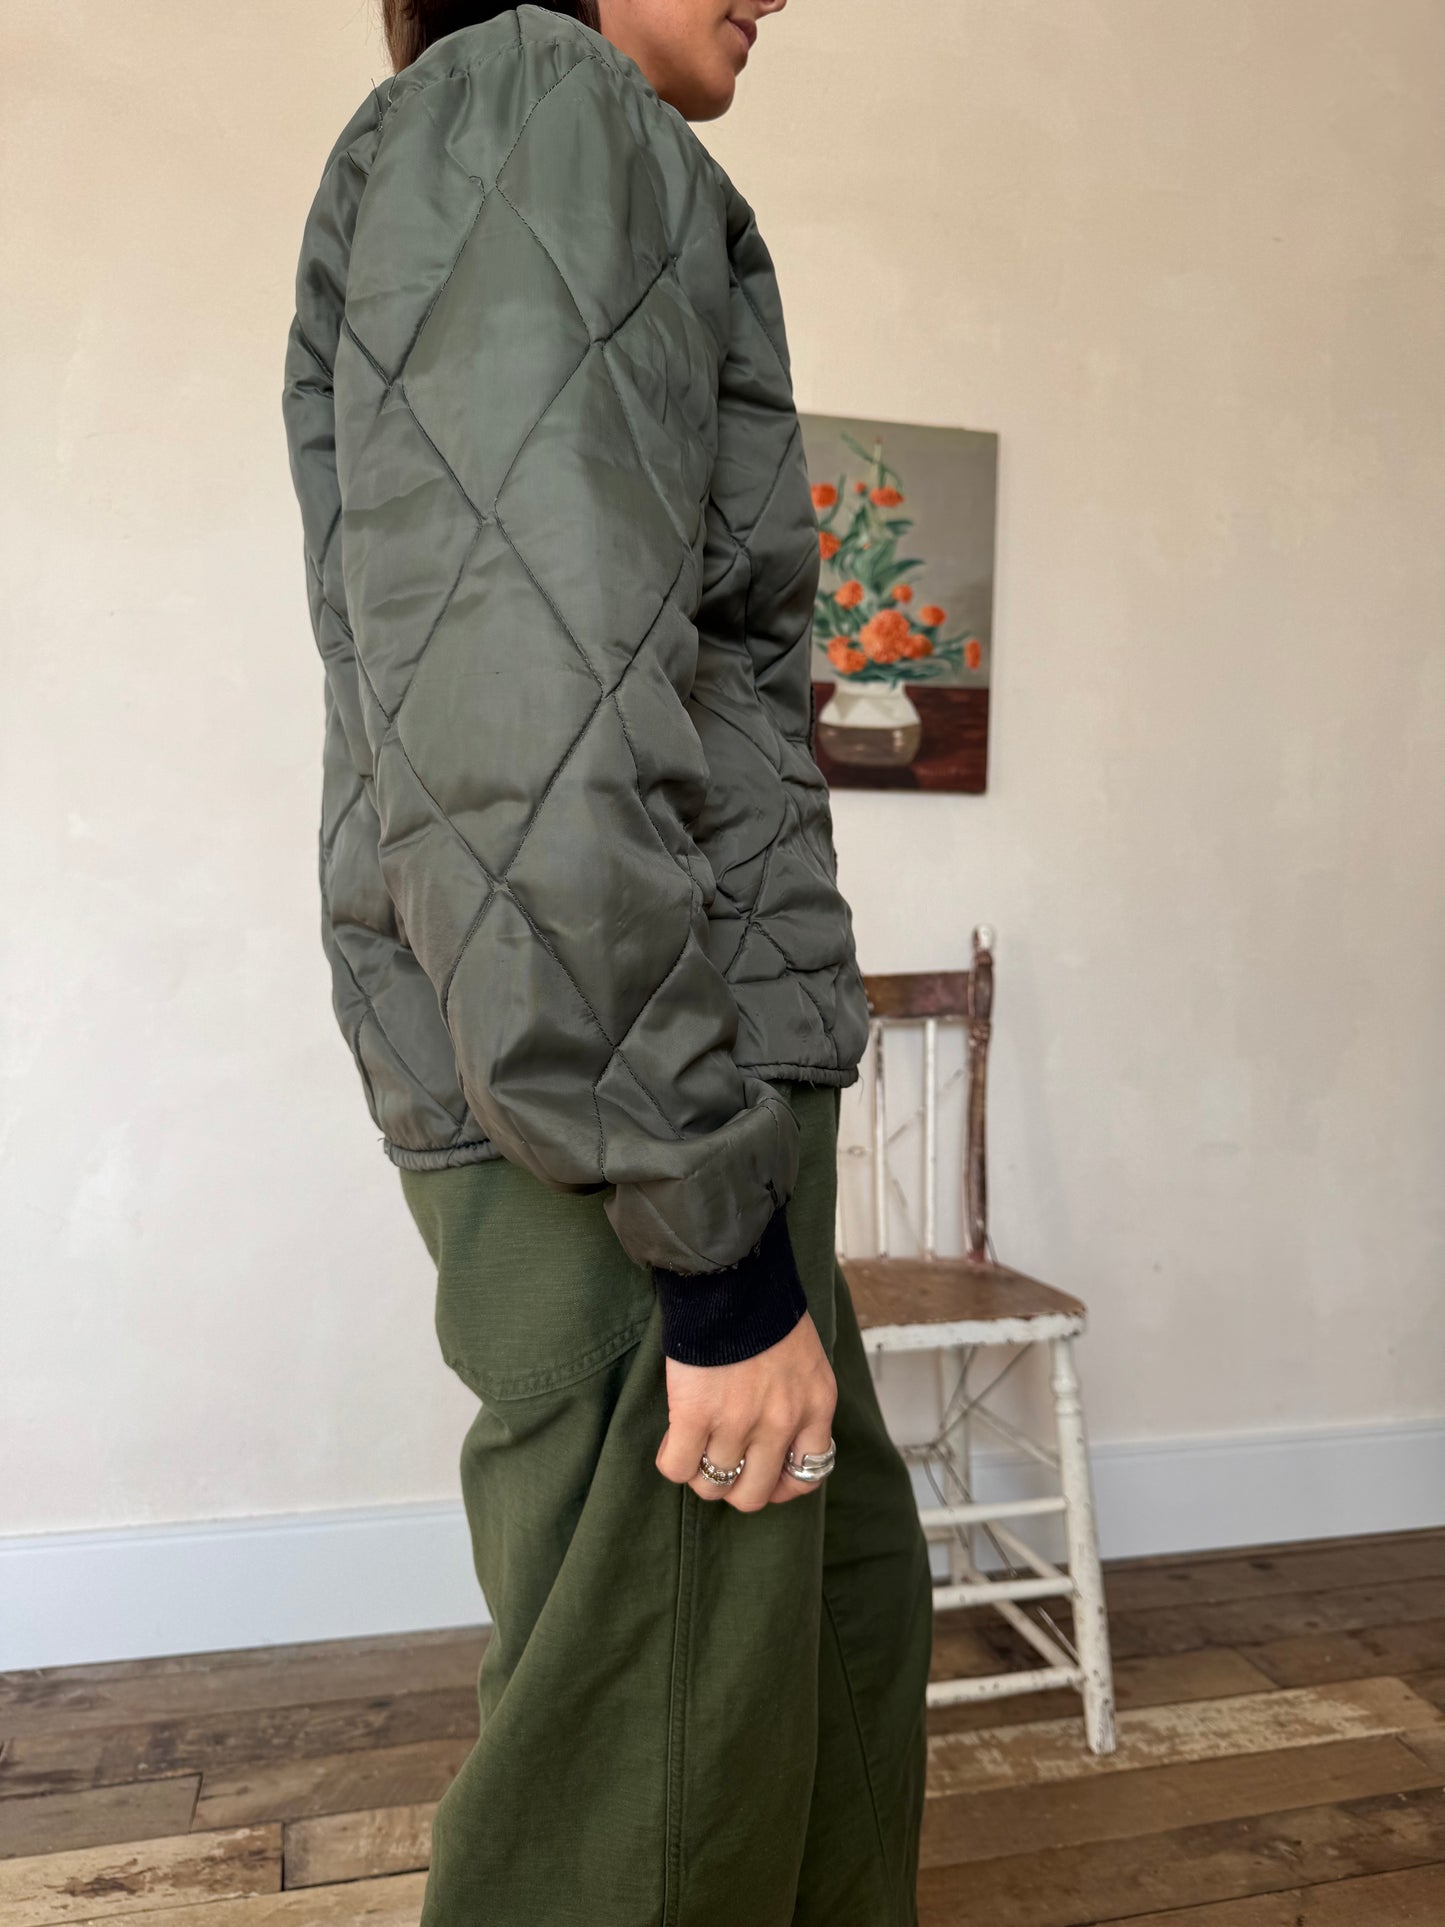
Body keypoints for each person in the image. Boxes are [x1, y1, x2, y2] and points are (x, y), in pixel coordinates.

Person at [280, 3, 934, 1920]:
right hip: (639, 1140)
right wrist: (709, 1255)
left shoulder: (556, 142)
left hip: (677, 1100)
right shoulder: (529, 107)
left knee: (795, 1682)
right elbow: (524, 734)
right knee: (645, 1799)